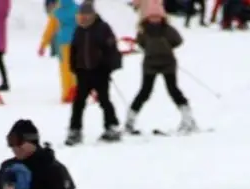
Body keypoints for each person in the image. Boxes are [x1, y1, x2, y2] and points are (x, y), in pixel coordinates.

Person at [125, 0, 197, 136]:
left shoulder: (168, 30)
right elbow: (141, 44)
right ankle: (130, 120)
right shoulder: (143, 31)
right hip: (150, 65)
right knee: (145, 91)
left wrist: (165, 49)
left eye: (157, 17)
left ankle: (188, 118)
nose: (155, 19)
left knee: (173, 90)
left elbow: (178, 41)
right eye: (152, 17)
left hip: (168, 64)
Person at [67, 0, 123, 145]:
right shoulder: (79, 30)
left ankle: (111, 126)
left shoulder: (103, 28)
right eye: (81, 16)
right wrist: (73, 66)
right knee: (79, 102)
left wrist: (109, 66)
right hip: (83, 72)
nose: (83, 18)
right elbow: (73, 49)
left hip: (100, 72)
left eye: (86, 15)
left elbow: (112, 49)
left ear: (93, 15)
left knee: (104, 100)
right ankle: (75, 130)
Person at [39, 0, 79, 103]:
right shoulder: (77, 9)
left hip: (63, 42)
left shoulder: (57, 11)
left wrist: (43, 45)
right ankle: (76, 91)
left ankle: (66, 93)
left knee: (64, 68)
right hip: (77, 42)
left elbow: (50, 29)